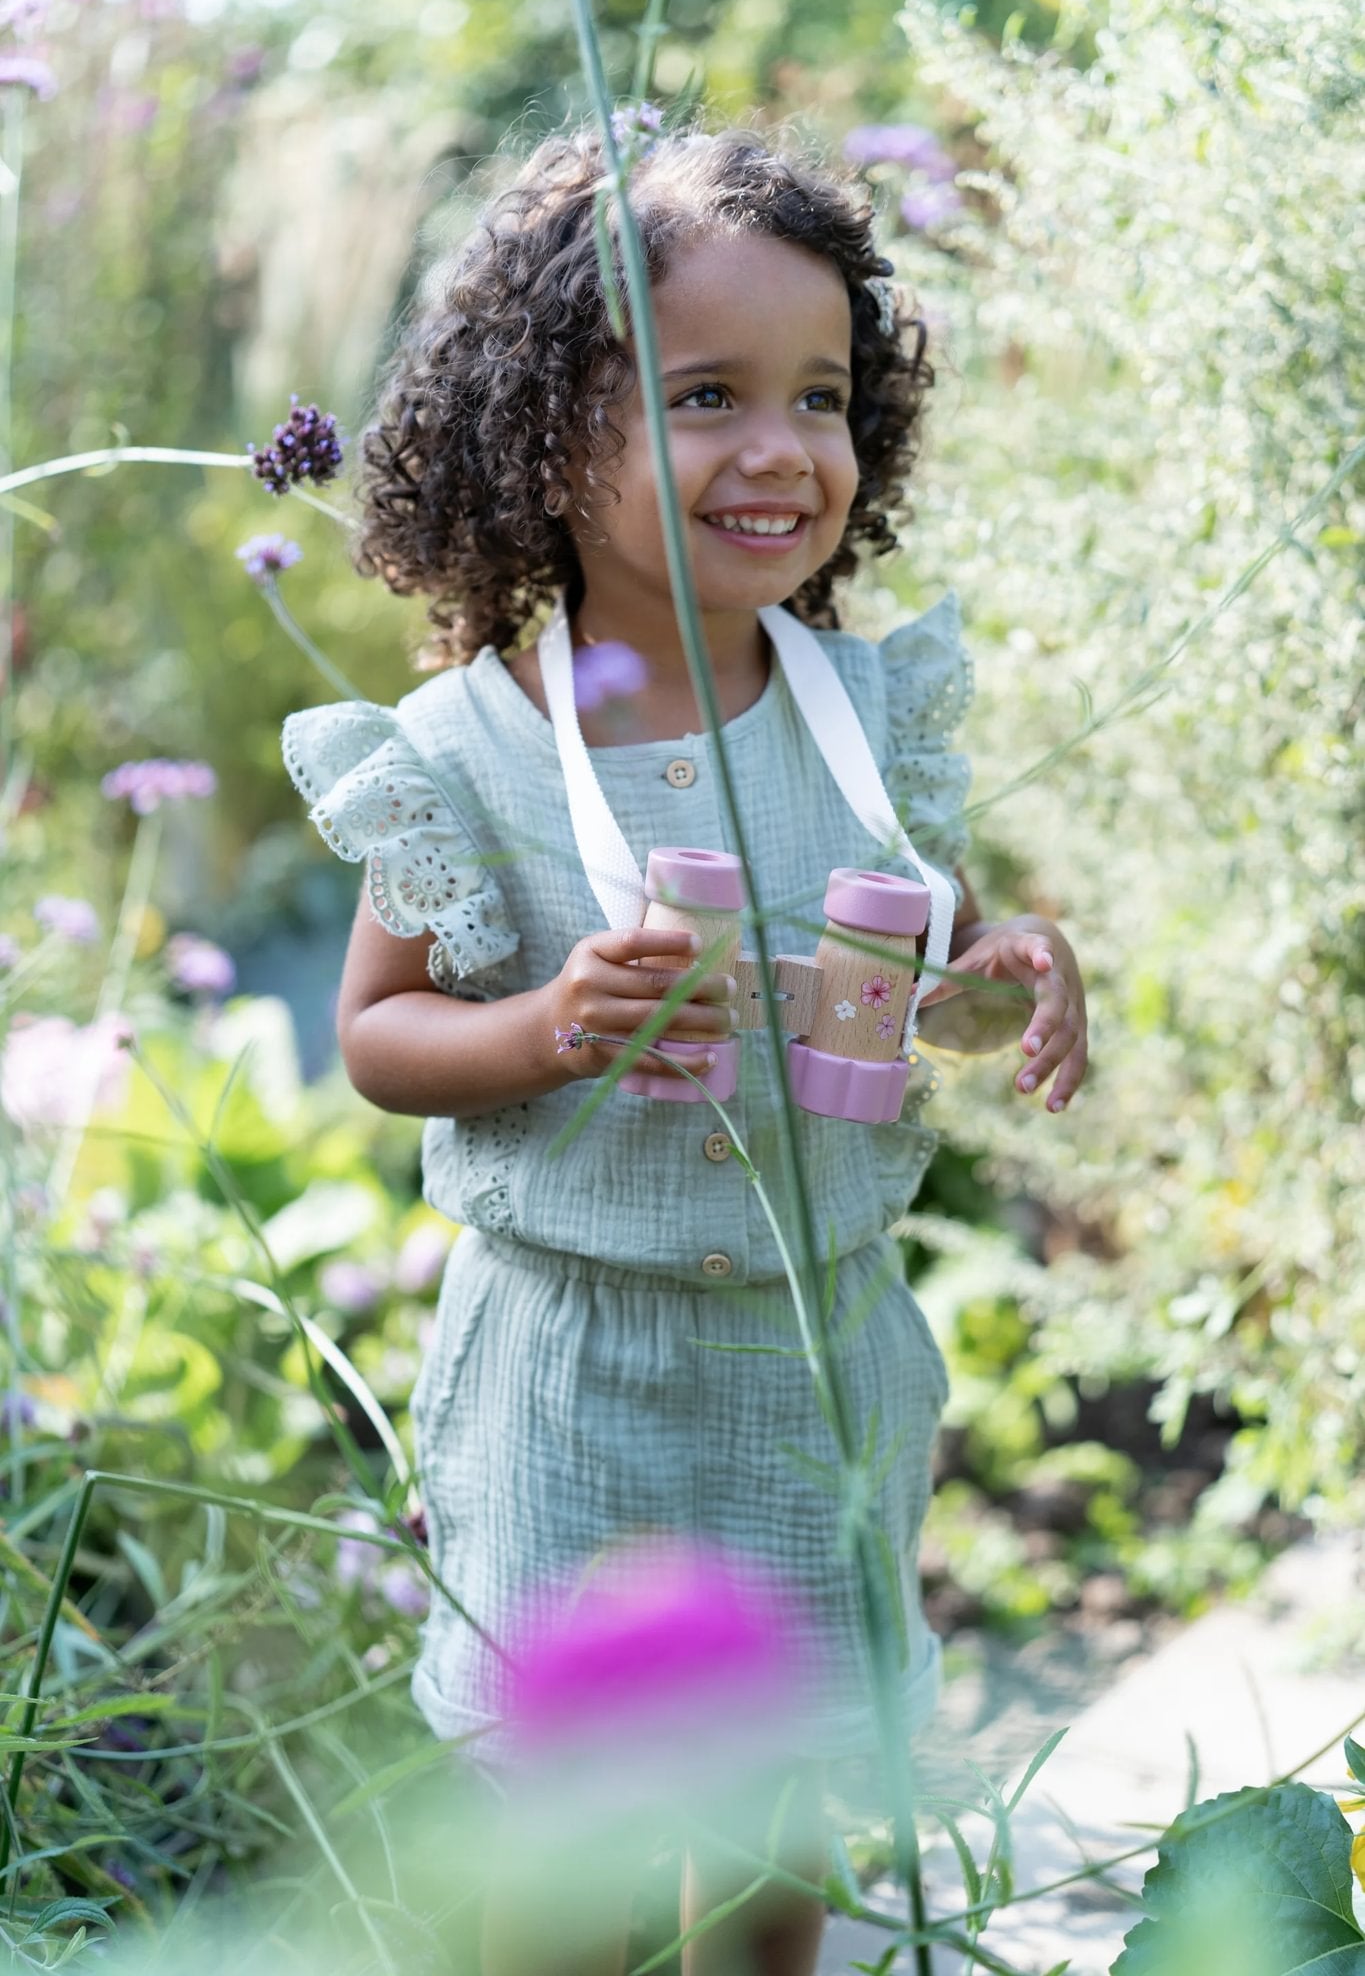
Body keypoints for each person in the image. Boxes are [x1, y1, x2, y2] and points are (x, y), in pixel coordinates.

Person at [282, 122, 1088, 1976]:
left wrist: (1005, 969)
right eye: (705, 394)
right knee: (568, 1856)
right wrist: (544, 1026)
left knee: (771, 1836)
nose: (780, 449)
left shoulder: (868, 716)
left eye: (819, 396)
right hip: (579, 1374)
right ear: (536, 436)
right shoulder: (468, 749)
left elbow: (919, 968)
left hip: (811, 1367)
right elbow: (379, 1041)